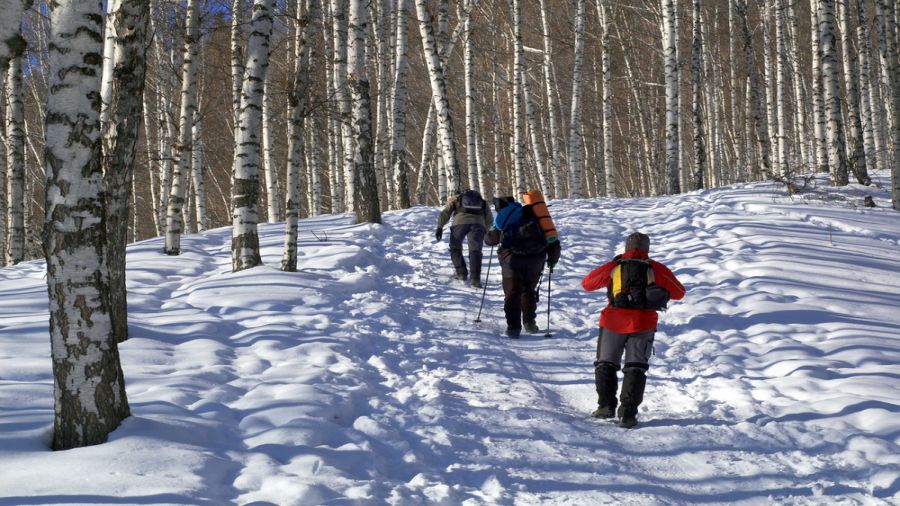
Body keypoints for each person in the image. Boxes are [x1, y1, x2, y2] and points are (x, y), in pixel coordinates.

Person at [581, 232, 685, 428]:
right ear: (647, 249)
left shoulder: (615, 267)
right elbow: (679, 293)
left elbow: (587, 284)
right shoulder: (655, 268)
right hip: (644, 323)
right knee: (636, 367)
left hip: (612, 321)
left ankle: (605, 406)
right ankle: (628, 414)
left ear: (626, 248)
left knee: (606, 363)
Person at [484, 196, 561, 338]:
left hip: (511, 259)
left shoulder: (503, 218)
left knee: (513, 292)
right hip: (536, 258)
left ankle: (513, 328)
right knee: (528, 290)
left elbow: (490, 240)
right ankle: (530, 323)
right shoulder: (536, 214)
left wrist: (492, 229)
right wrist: (552, 259)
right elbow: (553, 240)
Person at [436, 189, 493, 288]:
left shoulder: (457, 199)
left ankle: (461, 273)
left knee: (455, 248)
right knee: (475, 251)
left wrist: (440, 226)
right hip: (478, 224)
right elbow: (489, 218)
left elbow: (446, 212)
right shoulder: (482, 201)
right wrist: (488, 232)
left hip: (459, 223)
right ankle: (475, 279)